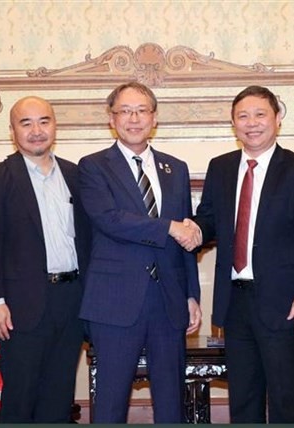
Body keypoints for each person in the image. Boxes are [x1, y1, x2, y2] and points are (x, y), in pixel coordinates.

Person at [191, 85, 294, 423]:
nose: (252, 123)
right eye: (243, 116)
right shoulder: (220, 167)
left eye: (260, 114)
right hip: (235, 301)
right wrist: (190, 230)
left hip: (283, 303)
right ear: (233, 124)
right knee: (243, 396)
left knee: (285, 397)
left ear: (278, 119)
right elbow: (209, 219)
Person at [78, 82, 202, 423]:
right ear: (112, 118)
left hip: (168, 300)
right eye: (125, 111)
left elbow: (186, 237)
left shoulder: (174, 168)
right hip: (115, 300)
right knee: (110, 402)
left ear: (154, 117)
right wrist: (168, 227)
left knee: (171, 400)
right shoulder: (92, 166)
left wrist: (191, 294)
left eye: (142, 110)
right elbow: (110, 220)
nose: (134, 119)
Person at [0, 96, 91, 422]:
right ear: (13, 131)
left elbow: (87, 239)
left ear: (55, 125)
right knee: (21, 397)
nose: (36, 130)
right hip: (20, 307)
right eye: (26, 123)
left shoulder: (75, 174)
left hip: (71, 300)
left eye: (44, 121)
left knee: (59, 396)